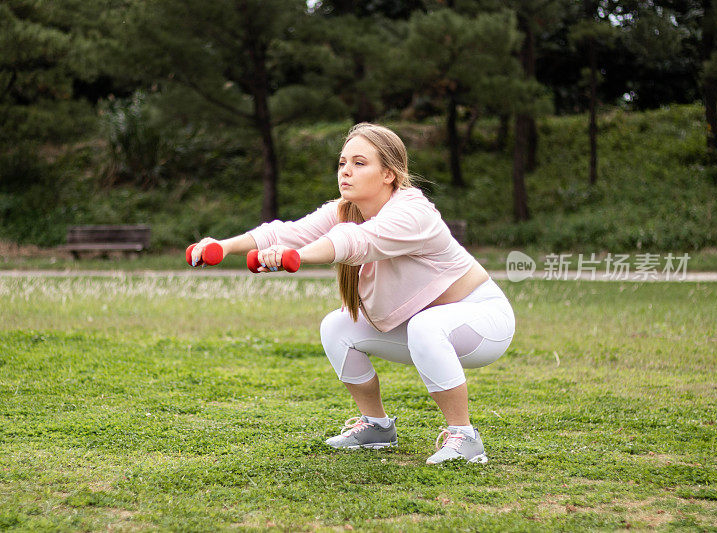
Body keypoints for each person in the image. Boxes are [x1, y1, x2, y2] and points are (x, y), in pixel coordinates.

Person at [189, 123, 515, 465]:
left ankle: (465, 437)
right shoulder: (345, 209)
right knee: (337, 326)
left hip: (483, 322)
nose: (346, 171)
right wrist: (222, 246)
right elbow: (288, 232)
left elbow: (355, 242)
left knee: (426, 326)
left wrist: (295, 258)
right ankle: (376, 427)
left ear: (389, 174)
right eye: (343, 162)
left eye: (360, 163)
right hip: (426, 323)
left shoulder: (412, 212)